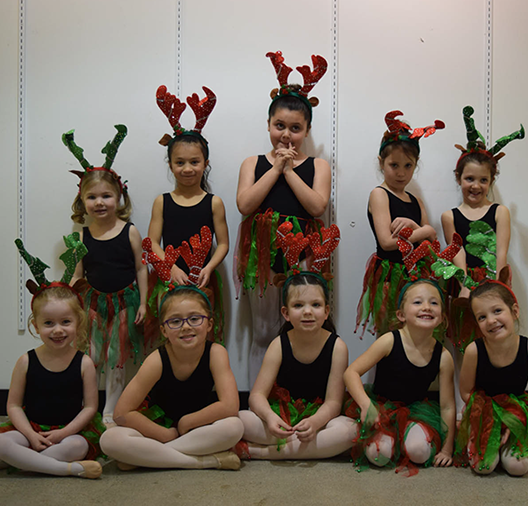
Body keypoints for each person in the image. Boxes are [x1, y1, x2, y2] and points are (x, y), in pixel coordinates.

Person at [99, 239, 243, 471]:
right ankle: (201, 462)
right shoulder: (157, 359)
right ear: (164, 330)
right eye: (175, 321)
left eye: (194, 319)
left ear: (209, 324)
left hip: (198, 426)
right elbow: (122, 413)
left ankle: (150, 458)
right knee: (109, 439)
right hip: (160, 429)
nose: (186, 327)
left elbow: (230, 406)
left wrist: (187, 422)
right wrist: (164, 435)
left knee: (235, 427)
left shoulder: (216, 353)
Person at [235, 51, 330, 384]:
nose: (286, 135)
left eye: (295, 128)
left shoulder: (318, 165)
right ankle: (257, 400)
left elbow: (317, 207)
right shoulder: (253, 163)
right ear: (268, 125)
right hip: (262, 256)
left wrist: (289, 170)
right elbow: (245, 204)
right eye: (279, 126)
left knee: (299, 329)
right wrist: (275, 167)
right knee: (263, 331)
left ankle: (291, 395)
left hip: (302, 253)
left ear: (307, 130)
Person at [0, 238, 103, 479]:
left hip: (68, 433)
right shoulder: (25, 361)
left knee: (78, 446)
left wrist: (63, 433)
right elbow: (13, 406)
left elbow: (90, 408)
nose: (58, 330)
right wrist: (30, 434)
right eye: (48, 323)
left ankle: (11, 462)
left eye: (65, 322)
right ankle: (68, 469)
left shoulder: (84, 363)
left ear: (78, 322)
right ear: (36, 325)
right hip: (30, 430)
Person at [238, 225, 356, 459]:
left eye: (316, 305)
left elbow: (334, 403)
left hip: (320, 419)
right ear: (286, 313)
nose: (307, 312)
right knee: (241, 420)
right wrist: (271, 418)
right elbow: (257, 396)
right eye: (298, 306)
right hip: (284, 416)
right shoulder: (279, 344)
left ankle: (263, 453)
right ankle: (301, 448)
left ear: (326, 311)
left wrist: (315, 422)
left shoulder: (337, 347)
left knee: (350, 430)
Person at [65, 125, 148, 423]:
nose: (99, 202)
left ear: (119, 197)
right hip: (93, 305)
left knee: (117, 359)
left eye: (106, 196)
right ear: (82, 201)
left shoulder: (130, 231)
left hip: (125, 303)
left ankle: (110, 411)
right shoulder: (81, 236)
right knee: (91, 356)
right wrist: (69, 302)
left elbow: (141, 267)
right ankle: (86, 407)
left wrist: (143, 302)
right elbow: (77, 273)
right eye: (92, 197)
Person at [344, 279, 456, 475]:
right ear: (401, 315)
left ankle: (406, 439)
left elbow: (447, 406)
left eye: (434, 303)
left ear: (441, 317)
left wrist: (447, 449)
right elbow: (351, 372)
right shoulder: (389, 341)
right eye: (418, 302)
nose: (427, 307)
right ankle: (392, 440)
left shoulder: (443, 357)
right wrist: (366, 404)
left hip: (416, 412)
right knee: (379, 455)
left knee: (420, 453)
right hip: (381, 407)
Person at [148, 85, 228, 344]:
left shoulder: (214, 203)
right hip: (168, 281)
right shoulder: (162, 202)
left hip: (201, 280)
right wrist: (170, 268)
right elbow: (152, 244)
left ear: (205, 164)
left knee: (200, 336)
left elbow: (223, 244)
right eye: (180, 162)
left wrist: (209, 268)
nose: (187, 169)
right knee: (170, 336)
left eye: (194, 162)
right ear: (170, 165)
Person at [441, 106, 524, 352]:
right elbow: (457, 252)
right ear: (458, 178)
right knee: (466, 341)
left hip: (492, 278)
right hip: (464, 280)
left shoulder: (500, 212)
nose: (476, 186)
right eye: (469, 179)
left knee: (494, 338)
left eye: (483, 180)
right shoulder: (449, 216)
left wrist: (495, 287)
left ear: (491, 181)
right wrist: (465, 284)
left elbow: (501, 252)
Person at [356, 111, 444, 339]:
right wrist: (423, 231)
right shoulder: (379, 194)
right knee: (391, 334)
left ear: (416, 165)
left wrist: (415, 226)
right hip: (391, 275)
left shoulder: (416, 201)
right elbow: (387, 242)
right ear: (381, 163)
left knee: (418, 334)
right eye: (394, 165)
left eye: (408, 165)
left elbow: (431, 239)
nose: (401, 173)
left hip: (417, 272)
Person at [454, 275, 528, 476]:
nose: (491, 320)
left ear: (514, 311)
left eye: (497, 311)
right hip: (484, 415)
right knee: (484, 467)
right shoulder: (474, 351)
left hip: (516, 414)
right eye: (482, 317)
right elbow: (465, 392)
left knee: (518, 467)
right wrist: (490, 420)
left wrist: (517, 418)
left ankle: (506, 444)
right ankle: (483, 441)